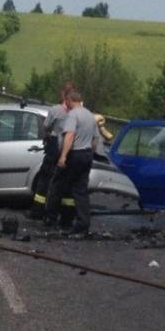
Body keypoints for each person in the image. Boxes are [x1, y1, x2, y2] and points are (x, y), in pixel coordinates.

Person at [46, 89, 99, 237]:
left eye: (66, 101)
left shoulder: (72, 115)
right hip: (87, 154)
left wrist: (63, 157)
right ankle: (83, 224)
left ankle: (51, 218)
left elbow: (69, 136)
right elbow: (96, 139)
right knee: (80, 191)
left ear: (70, 100)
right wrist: (90, 154)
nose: (66, 104)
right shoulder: (89, 115)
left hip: (74, 154)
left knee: (57, 184)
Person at [30, 81, 76, 222]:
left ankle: (38, 212)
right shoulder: (78, 112)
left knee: (45, 180)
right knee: (66, 183)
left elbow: (45, 128)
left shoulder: (55, 110)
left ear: (63, 94)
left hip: (55, 145)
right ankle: (66, 216)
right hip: (71, 149)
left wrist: (47, 137)